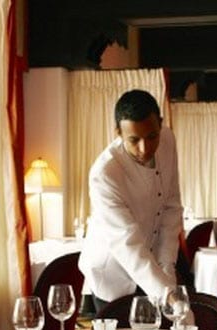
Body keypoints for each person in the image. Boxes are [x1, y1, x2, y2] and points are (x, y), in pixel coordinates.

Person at [78, 90, 183, 313]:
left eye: (152, 137)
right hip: (112, 272)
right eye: (134, 140)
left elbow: (171, 207)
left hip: (152, 263)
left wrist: (167, 271)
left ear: (160, 125)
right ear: (118, 132)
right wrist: (168, 295)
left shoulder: (168, 140)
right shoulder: (105, 173)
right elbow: (127, 243)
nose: (145, 148)